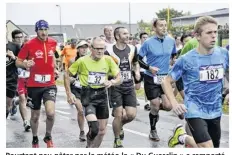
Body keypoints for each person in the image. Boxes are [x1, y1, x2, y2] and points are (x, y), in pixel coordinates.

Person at [162, 16, 229, 148]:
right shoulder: (186, 59)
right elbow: (166, 81)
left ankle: (182, 137)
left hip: (215, 109)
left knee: (213, 148)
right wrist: (174, 103)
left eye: (215, 32)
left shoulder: (223, 54)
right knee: (207, 147)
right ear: (197, 36)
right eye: (209, 33)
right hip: (194, 109)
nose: (214, 36)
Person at [66, 37, 121, 148]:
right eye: (97, 49)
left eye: (102, 48)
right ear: (91, 48)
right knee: (94, 128)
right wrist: (69, 93)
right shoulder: (82, 61)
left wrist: (112, 82)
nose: (100, 51)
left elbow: (119, 77)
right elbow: (67, 75)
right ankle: (89, 142)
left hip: (102, 95)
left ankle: (92, 149)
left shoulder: (108, 60)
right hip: (88, 95)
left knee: (101, 131)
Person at [16, 20, 58, 148]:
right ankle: (35, 138)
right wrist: (25, 64)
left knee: (50, 113)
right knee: (35, 116)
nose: (44, 32)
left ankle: (48, 136)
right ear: (36, 31)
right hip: (34, 85)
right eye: (41, 30)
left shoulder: (53, 42)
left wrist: (55, 68)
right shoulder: (29, 44)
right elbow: (18, 61)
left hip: (50, 84)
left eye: (46, 29)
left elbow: (52, 57)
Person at [138, 18, 176, 141]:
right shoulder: (148, 43)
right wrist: (149, 67)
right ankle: (153, 130)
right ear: (154, 28)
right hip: (151, 77)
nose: (164, 28)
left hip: (165, 78)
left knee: (168, 106)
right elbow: (138, 59)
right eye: (161, 25)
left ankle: (154, 112)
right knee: (155, 104)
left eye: (165, 25)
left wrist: (172, 63)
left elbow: (173, 55)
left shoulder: (171, 41)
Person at [105, 27, 140, 148]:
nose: (127, 35)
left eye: (128, 33)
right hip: (116, 86)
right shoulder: (108, 51)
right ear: (117, 36)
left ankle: (120, 126)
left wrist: (137, 72)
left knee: (131, 115)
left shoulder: (132, 48)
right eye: (124, 34)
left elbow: (136, 62)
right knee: (118, 114)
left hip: (129, 85)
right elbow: (104, 66)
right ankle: (117, 140)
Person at [64, 40, 89, 141]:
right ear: (78, 49)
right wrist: (68, 93)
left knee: (90, 111)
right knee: (81, 110)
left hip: (87, 89)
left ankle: (91, 129)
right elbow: (67, 76)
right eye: (82, 47)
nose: (84, 49)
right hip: (76, 89)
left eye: (85, 47)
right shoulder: (72, 61)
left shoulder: (90, 60)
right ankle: (82, 131)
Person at [6, 27, 21, 119]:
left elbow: (22, 62)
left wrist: (13, 56)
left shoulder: (15, 46)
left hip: (10, 80)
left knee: (6, 107)